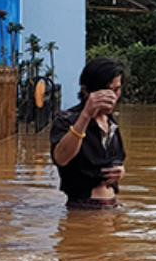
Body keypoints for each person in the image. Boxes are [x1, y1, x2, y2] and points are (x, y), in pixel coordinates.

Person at [50, 57, 127, 209]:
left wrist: (120, 172)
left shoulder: (111, 123)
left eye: (116, 90)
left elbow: (114, 162)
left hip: (111, 207)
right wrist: (86, 115)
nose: (112, 97)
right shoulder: (66, 121)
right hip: (83, 208)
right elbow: (61, 157)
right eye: (106, 91)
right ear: (86, 91)